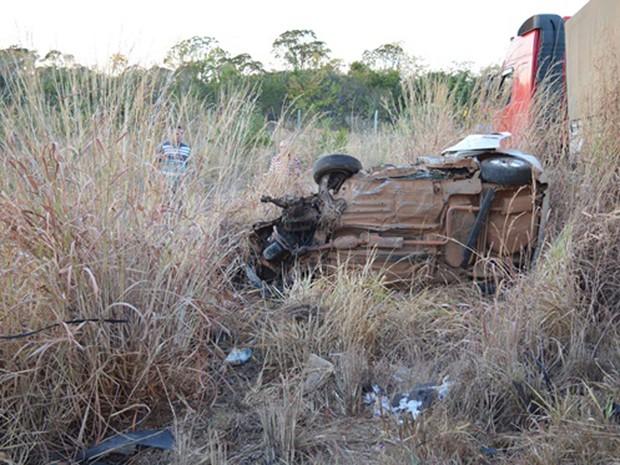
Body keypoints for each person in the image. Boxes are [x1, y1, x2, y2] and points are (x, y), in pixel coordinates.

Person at [156, 125, 192, 195]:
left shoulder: (187, 148)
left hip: (180, 180)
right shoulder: (163, 146)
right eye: (177, 134)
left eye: (181, 134)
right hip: (166, 179)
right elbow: (156, 162)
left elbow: (189, 165)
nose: (179, 136)